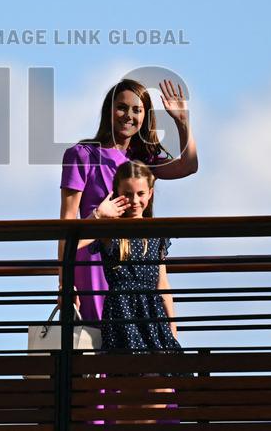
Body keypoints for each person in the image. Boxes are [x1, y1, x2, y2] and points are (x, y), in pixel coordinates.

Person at [59, 78, 197, 323]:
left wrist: (183, 122)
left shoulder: (142, 159)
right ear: (109, 111)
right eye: (122, 107)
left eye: (137, 109)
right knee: (96, 339)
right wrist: (64, 283)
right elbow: (66, 224)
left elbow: (188, 166)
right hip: (92, 260)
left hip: (135, 264)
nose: (128, 115)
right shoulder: (81, 155)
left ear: (145, 116)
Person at [80, 160, 181, 423]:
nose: (134, 200)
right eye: (126, 194)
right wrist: (99, 216)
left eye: (140, 194)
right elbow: (74, 241)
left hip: (153, 316)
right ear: (116, 193)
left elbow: (162, 283)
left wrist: (172, 326)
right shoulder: (109, 230)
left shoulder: (156, 232)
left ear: (150, 193)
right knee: (130, 392)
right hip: (123, 315)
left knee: (160, 386)